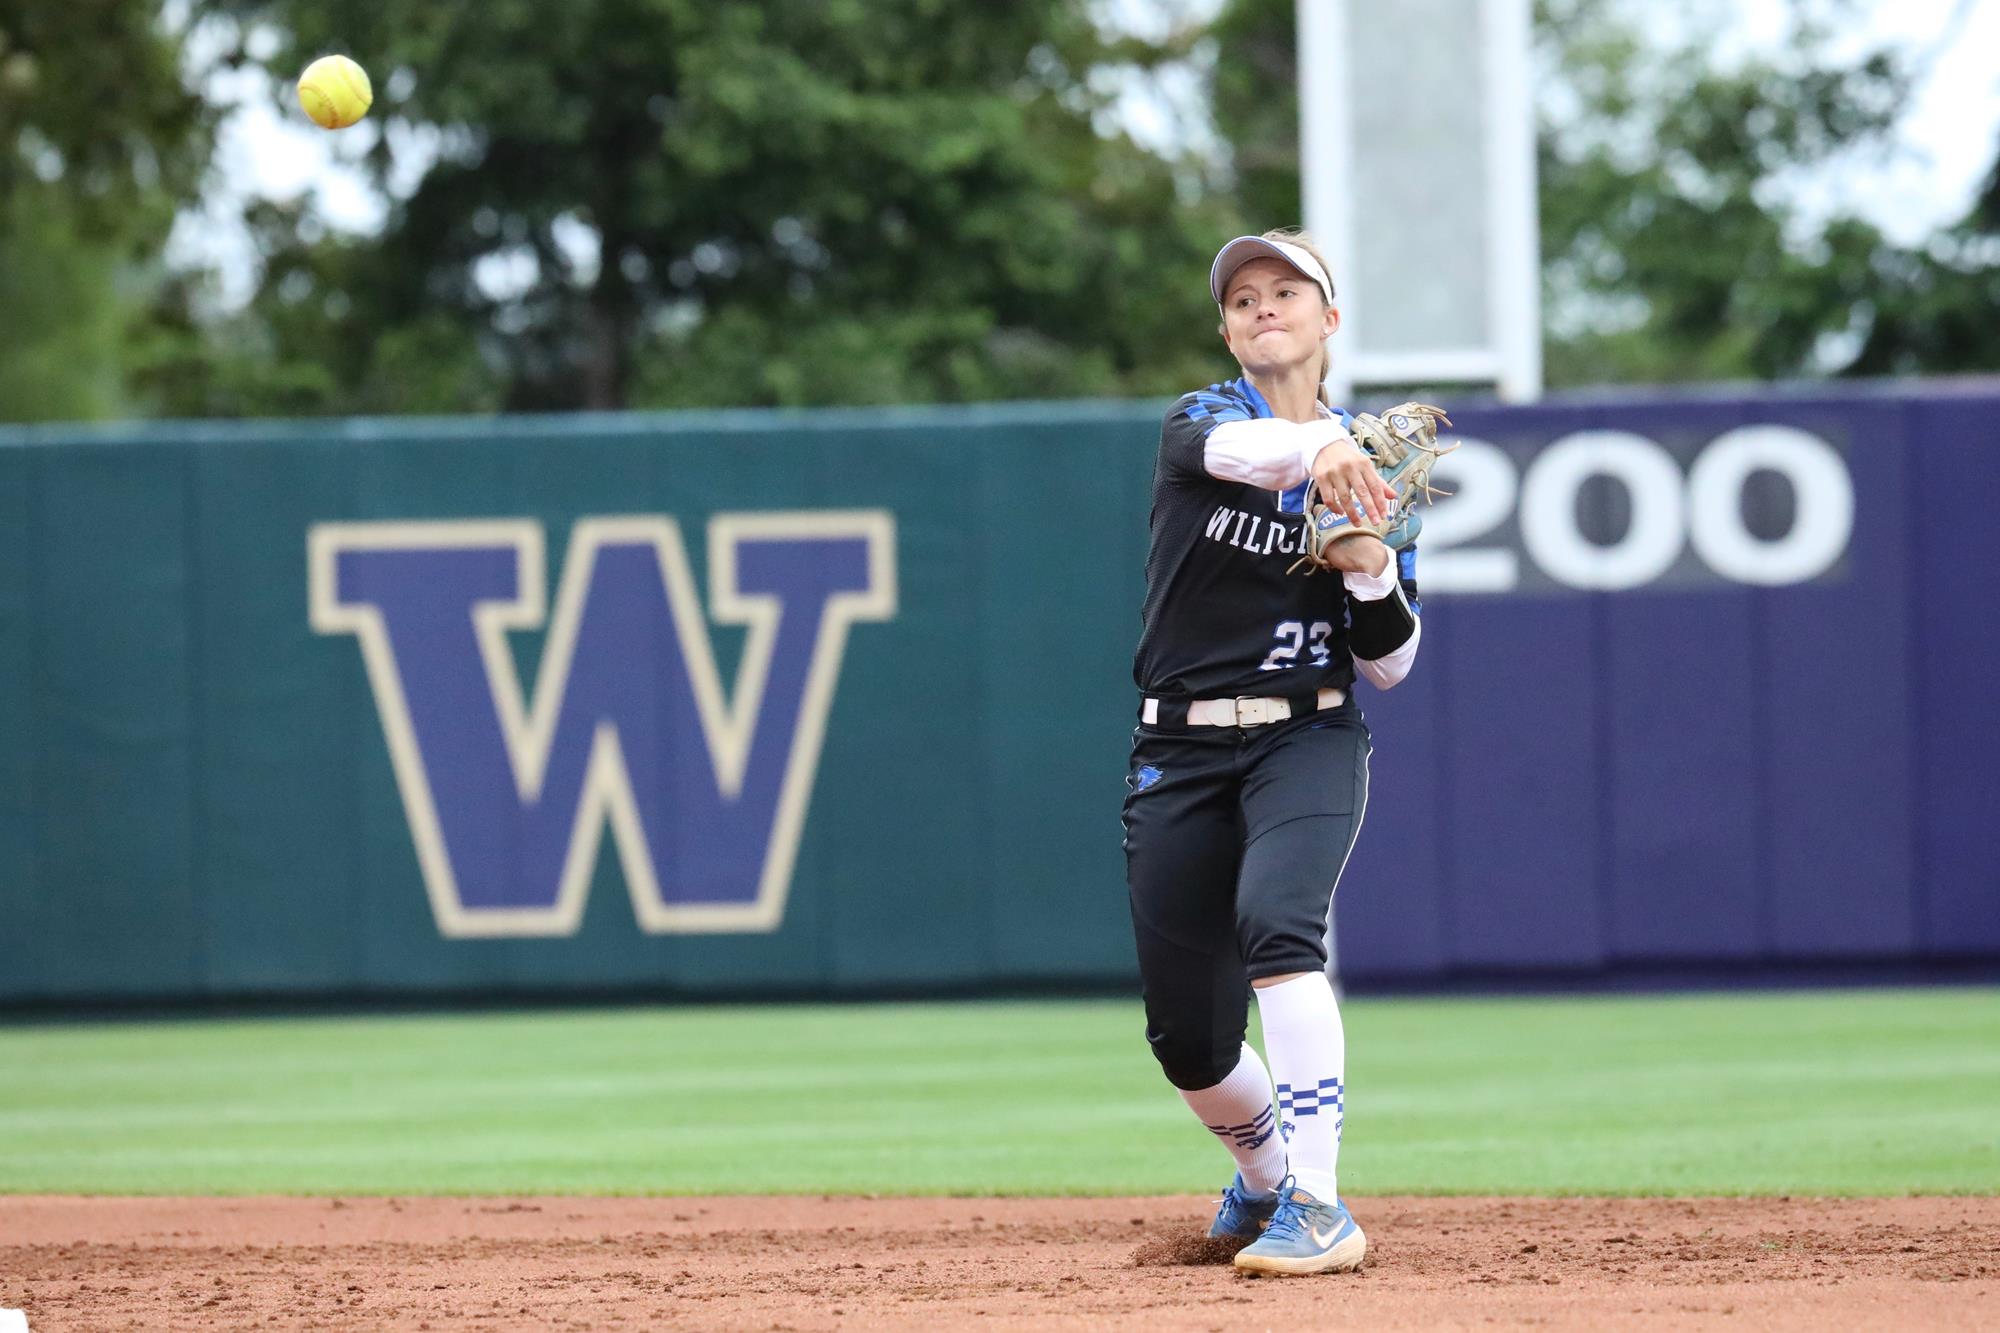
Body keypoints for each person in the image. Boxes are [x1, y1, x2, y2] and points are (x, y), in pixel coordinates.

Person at [1121, 229, 1422, 1277]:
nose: (1260, 309)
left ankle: (1320, 1202)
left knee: (1277, 929)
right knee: (1188, 1044)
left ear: (1326, 320)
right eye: (1240, 298)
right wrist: (1321, 452)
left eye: (1284, 291)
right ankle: (1259, 1178)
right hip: (1180, 744)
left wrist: (1369, 570)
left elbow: (1391, 661)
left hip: (1305, 731)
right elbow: (1244, 457)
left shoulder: (1377, 471)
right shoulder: (1204, 420)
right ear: (1224, 329)